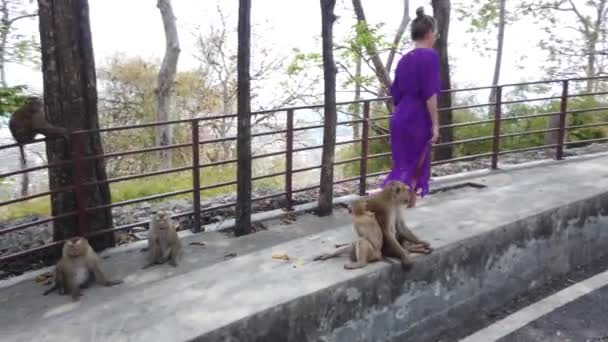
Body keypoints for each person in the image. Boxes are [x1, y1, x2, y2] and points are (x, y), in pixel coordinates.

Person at [381, 6, 441, 208]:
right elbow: (430, 95)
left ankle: (400, 205)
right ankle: (393, 207)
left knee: (402, 164)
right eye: (436, 33)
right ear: (430, 33)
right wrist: (435, 125)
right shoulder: (430, 56)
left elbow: (395, 93)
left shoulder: (404, 59)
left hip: (399, 117)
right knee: (416, 163)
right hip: (418, 117)